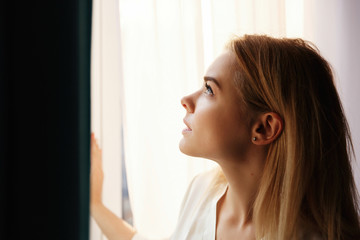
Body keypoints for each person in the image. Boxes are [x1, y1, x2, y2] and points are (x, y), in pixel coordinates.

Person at [90, 35, 360, 240]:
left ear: (264, 129)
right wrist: (94, 203)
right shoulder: (203, 191)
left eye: (209, 89)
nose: (186, 100)